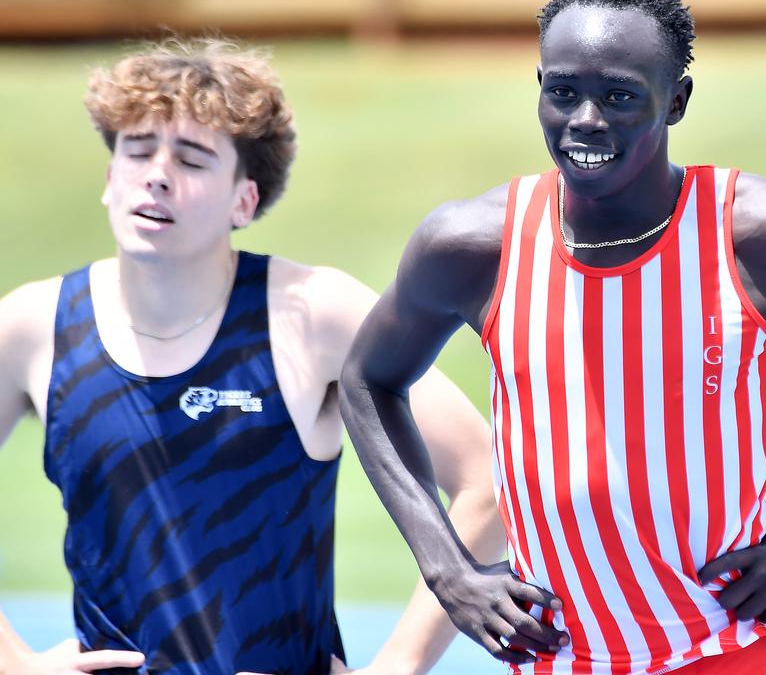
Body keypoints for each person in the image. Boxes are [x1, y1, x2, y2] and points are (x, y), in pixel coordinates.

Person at [339, 0, 766, 675]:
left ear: (676, 100)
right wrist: (447, 569)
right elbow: (366, 381)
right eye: (563, 92)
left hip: (723, 650)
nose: (585, 119)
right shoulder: (474, 247)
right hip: (556, 660)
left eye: (620, 96)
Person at [0, 39, 505, 675]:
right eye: (137, 151)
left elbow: (489, 477)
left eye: (192, 159)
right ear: (109, 179)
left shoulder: (316, 313)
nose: (156, 173)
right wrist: (14, 662)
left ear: (245, 199)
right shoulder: (32, 324)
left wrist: (397, 665)